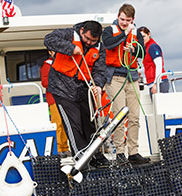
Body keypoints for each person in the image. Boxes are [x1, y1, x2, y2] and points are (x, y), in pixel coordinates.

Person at [44, 20, 110, 168]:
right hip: (62, 89)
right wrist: (71, 48)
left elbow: (100, 71)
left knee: (90, 124)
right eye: (87, 39)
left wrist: (98, 86)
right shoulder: (68, 34)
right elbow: (49, 40)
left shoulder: (99, 48)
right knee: (74, 125)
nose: (89, 43)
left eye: (93, 41)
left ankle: (95, 155)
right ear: (82, 31)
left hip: (83, 90)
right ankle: (81, 157)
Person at [102, 3, 150, 165]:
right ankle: (120, 153)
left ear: (133, 20)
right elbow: (109, 44)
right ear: (118, 17)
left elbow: (141, 52)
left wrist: (133, 50)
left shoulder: (137, 33)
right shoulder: (109, 30)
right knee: (119, 116)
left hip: (133, 77)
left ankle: (134, 152)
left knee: (135, 117)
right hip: (115, 78)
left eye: (127, 20)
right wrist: (124, 34)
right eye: (122, 19)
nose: (124, 22)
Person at [40, 52, 71, 158]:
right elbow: (44, 82)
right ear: (50, 52)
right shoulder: (47, 65)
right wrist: (59, 83)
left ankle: (65, 148)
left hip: (64, 97)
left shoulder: (61, 63)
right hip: (53, 98)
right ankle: (58, 148)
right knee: (57, 124)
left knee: (65, 124)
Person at [138, 26, 169, 100]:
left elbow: (159, 65)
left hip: (159, 83)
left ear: (149, 34)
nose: (142, 39)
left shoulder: (152, 47)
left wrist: (156, 83)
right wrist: (138, 71)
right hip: (151, 83)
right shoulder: (146, 48)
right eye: (140, 37)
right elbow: (148, 65)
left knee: (160, 108)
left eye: (143, 36)